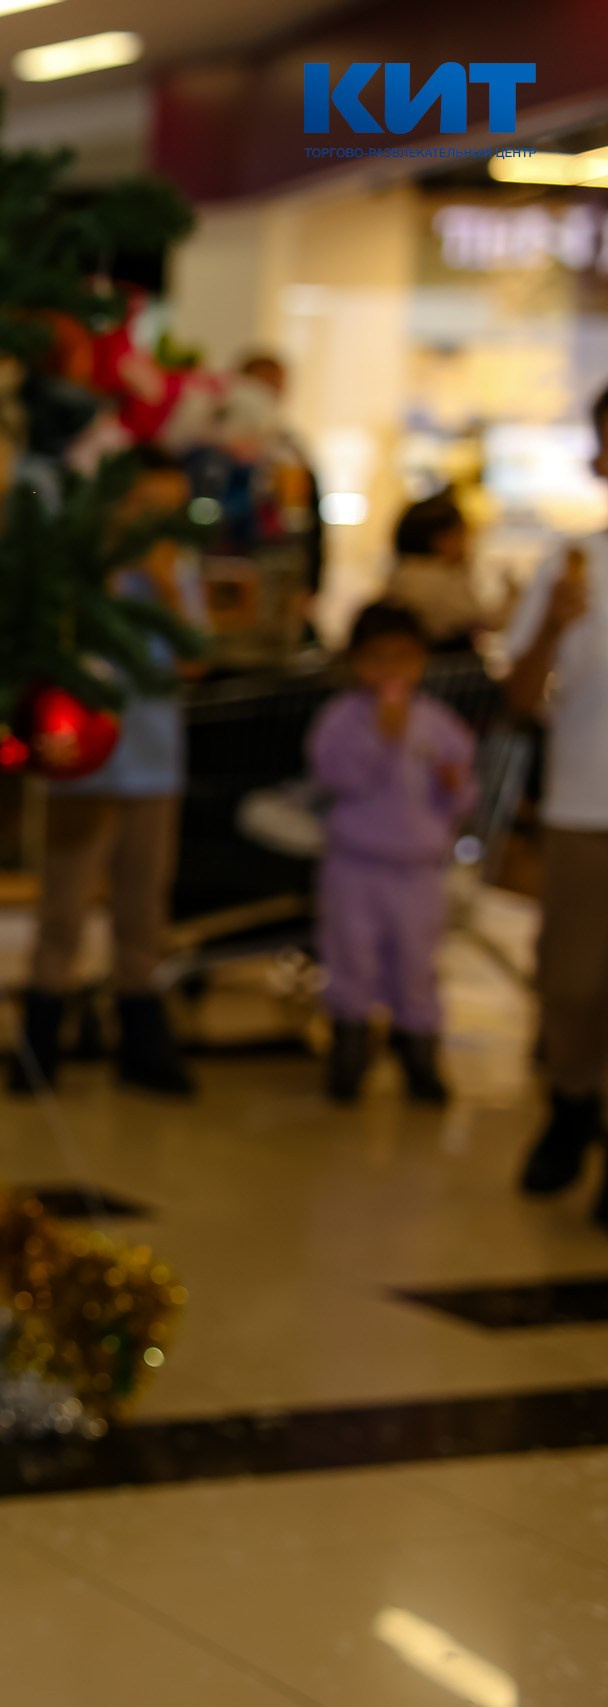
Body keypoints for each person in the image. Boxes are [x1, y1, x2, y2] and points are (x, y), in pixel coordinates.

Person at [13, 450, 207, 1097]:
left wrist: (170, 589)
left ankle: (142, 1035)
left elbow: (194, 659)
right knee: (63, 905)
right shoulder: (83, 570)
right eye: (146, 506)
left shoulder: (178, 569)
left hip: (154, 763)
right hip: (86, 765)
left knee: (143, 903)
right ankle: (40, 1039)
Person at [306, 603, 476, 1102]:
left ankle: (420, 1053)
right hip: (353, 864)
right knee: (350, 959)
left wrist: (455, 786)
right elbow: (335, 778)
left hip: (419, 870)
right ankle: (350, 1050)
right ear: (357, 662)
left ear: (421, 660)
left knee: (417, 965)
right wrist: (382, 738)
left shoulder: (439, 723)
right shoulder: (341, 720)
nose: (390, 670)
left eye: (402, 658)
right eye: (377, 658)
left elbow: (464, 793)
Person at [509, 382, 608, 1217]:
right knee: (572, 982)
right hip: (583, 804)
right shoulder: (571, 566)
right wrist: (551, 624)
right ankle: (572, 1105)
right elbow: (517, 695)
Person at [383, 490, 491, 652]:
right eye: (462, 533)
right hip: (440, 672)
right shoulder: (438, 580)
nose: (468, 543)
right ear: (441, 540)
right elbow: (482, 619)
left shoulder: (405, 573)